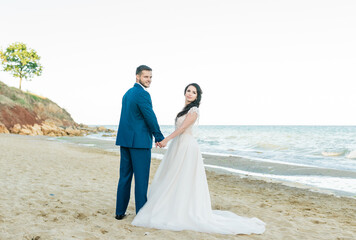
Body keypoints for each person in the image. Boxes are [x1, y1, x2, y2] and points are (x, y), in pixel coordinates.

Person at [132, 83, 266, 235]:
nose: (189, 94)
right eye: (188, 91)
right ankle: (173, 205)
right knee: (173, 177)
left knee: (182, 177)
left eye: (193, 92)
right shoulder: (184, 110)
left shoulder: (194, 111)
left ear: (197, 96)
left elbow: (182, 129)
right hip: (178, 145)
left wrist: (166, 140)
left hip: (187, 147)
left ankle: (182, 208)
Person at [115, 65, 165, 220]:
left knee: (124, 177)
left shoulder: (127, 94)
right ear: (137, 77)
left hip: (125, 141)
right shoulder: (143, 94)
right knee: (141, 180)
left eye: (150, 77)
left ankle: (119, 212)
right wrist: (159, 136)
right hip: (140, 143)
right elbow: (150, 116)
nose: (149, 80)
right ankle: (141, 214)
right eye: (146, 77)